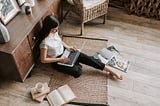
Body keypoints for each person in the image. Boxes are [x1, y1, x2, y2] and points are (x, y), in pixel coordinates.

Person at [39, 15, 123, 80]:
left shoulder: (54, 32)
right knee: (77, 72)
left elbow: (59, 41)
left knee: (89, 59)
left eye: (57, 29)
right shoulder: (45, 42)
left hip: (65, 52)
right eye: (54, 29)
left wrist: (68, 47)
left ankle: (112, 71)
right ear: (48, 28)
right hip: (57, 60)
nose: (56, 31)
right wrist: (60, 60)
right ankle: (75, 63)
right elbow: (43, 60)